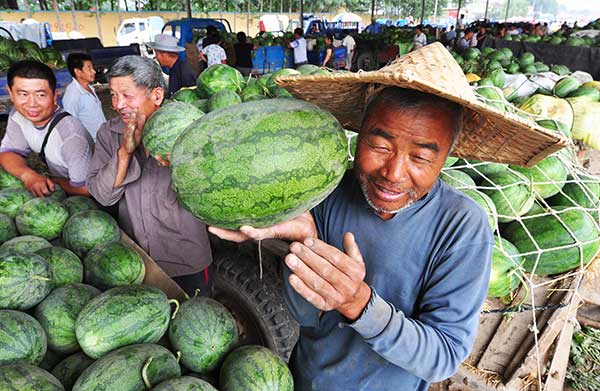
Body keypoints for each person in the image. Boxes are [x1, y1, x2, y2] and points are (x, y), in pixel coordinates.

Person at [207, 41, 566, 389]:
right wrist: (305, 243)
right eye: (379, 146)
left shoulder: (462, 227)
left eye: (421, 158)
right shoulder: (329, 193)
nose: (393, 173)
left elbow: (443, 356)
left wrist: (359, 304)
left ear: (448, 156)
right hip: (310, 379)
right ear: (358, 134)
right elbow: (304, 318)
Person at [86, 56, 213, 296]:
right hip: (136, 260)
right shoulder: (108, 133)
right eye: (113, 95)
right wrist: (124, 153)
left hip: (186, 258)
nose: (118, 104)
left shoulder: (190, 129)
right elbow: (103, 196)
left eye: (127, 95)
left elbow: (210, 189)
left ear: (156, 95)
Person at [0, 60, 93, 197]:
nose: (31, 104)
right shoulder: (18, 115)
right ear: (10, 92)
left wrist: (50, 181)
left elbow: (87, 190)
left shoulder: (71, 137)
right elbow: (8, 153)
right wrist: (28, 175)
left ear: (55, 96)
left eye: (41, 95)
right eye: (23, 94)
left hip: (81, 198)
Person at [62, 52, 106, 142]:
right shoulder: (72, 95)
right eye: (89, 68)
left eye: (92, 67)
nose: (93, 71)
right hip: (91, 143)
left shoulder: (89, 88)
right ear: (78, 72)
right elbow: (70, 125)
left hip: (102, 139)